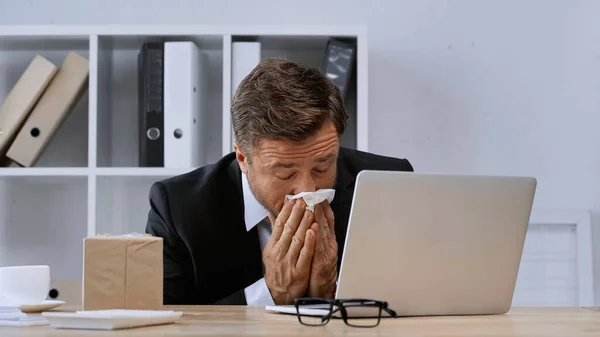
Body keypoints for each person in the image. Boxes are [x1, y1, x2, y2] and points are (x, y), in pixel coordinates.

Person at [145, 57, 414, 306]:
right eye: (285, 173)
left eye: (323, 165)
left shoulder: (388, 183)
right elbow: (163, 324)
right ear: (242, 158)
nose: (308, 190)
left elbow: (417, 300)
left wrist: (333, 296)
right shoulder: (178, 208)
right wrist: (272, 293)